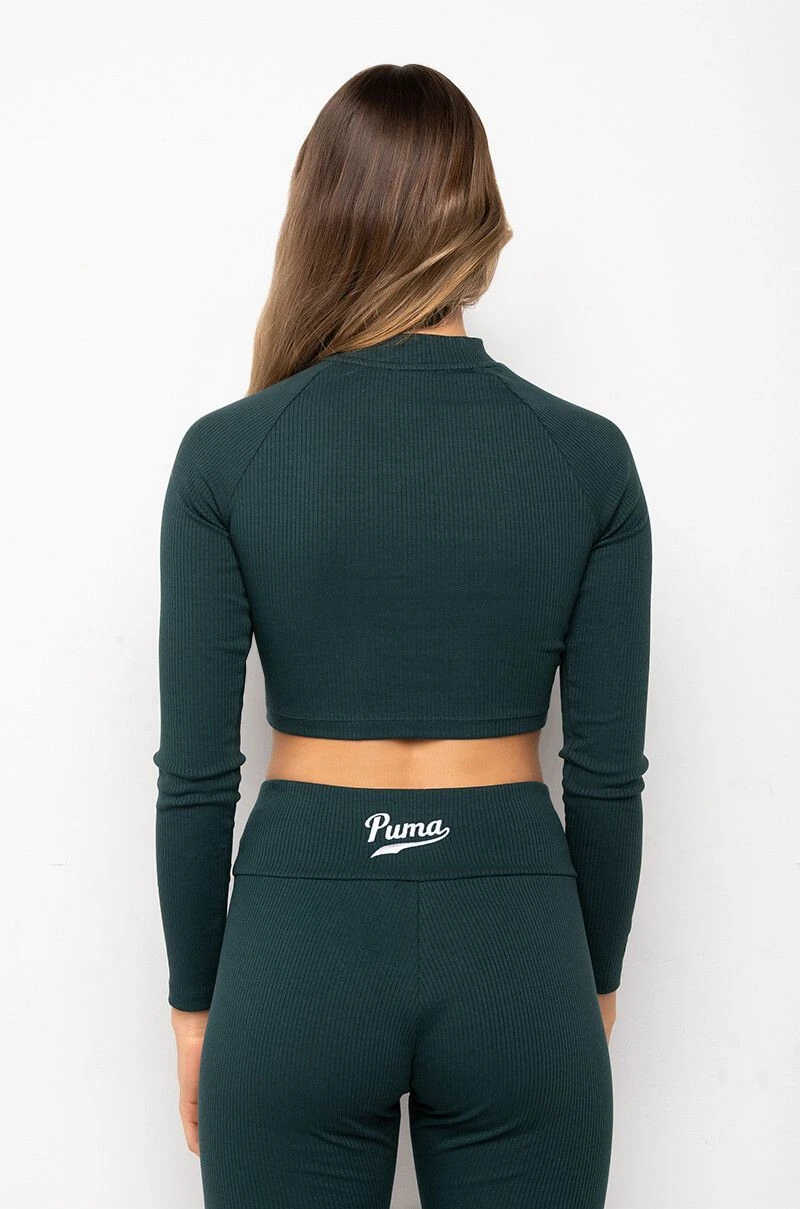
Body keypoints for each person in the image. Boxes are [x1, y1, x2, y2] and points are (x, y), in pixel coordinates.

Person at [153, 62, 652, 1209]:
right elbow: (604, 778)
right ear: (479, 225)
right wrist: (591, 980)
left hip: (300, 939)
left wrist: (192, 1008)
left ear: (319, 220)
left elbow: (197, 779)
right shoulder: (586, 460)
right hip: (516, 942)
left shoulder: (227, 457)